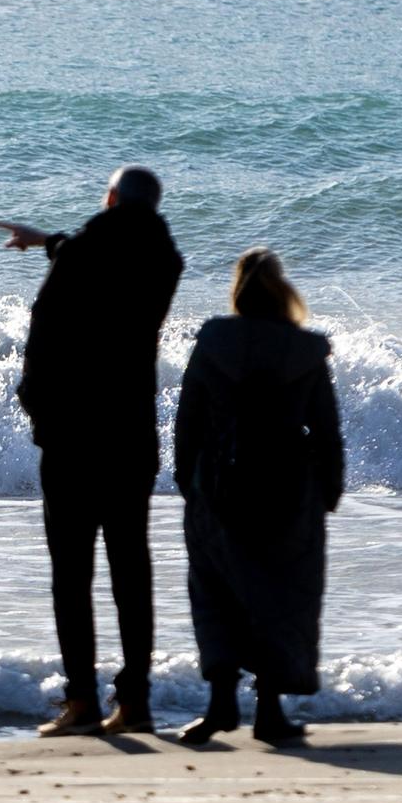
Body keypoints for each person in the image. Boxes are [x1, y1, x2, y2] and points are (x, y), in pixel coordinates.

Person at [0, 166, 184, 738]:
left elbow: (45, 327)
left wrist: (35, 407)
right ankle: (137, 703)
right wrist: (48, 242)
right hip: (131, 436)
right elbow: (98, 254)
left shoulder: (88, 251)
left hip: (75, 436)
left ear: (109, 200)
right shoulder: (163, 260)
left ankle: (81, 702)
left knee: (71, 574)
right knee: (132, 571)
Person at [172, 248, 344, 747]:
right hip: (289, 490)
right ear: (282, 291)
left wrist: (189, 482)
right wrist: (328, 491)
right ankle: (269, 712)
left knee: (216, 595)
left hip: (218, 488)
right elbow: (327, 430)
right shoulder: (305, 350)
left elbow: (190, 420)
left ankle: (220, 706)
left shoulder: (212, 343)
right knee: (281, 599)